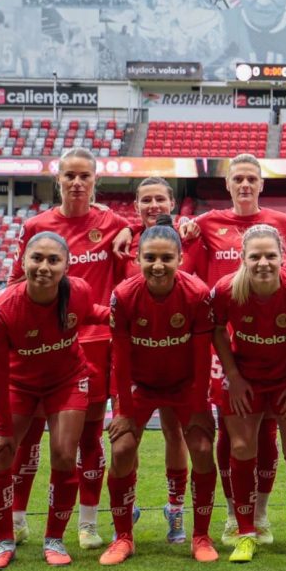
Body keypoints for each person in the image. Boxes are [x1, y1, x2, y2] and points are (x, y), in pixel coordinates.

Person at [180, 153, 286, 547]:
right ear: (227, 184)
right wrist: (180, 225)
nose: (244, 184)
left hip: (275, 342)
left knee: (272, 434)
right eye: (237, 178)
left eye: (251, 179)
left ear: (261, 184)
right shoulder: (206, 224)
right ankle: (233, 514)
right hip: (229, 347)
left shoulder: (282, 224)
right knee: (232, 434)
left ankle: (260, 513)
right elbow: (184, 264)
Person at [8, 148, 130, 551]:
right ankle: (17, 519)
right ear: (57, 179)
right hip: (42, 349)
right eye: (70, 175)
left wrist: (134, 229)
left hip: (96, 347)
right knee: (28, 439)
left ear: (96, 181)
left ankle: (88, 523)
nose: (77, 182)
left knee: (88, 440)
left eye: (85, 176)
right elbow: (13, 286)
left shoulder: (112, 223)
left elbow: (151, 234)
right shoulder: (37, 226)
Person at [0, 232, 109, 569]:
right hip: (17, 385)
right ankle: (3, 541)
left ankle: (54, 539)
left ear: (66, 265)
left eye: (54, 260)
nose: (44, 267)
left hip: (66, 382)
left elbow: (90, 312)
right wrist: (2, 427)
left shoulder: (78, 290)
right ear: (23, 261)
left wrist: (117, 313)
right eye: (37, 258)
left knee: (66, 455)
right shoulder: (0, 312)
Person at [102, 217, 218, 564]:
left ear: (180, 259)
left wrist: (199, 408)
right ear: (137, 259)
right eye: (150, 257)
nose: (158, 265)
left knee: (200, 446)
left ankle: (200, 536)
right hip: (140, 385)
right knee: (122, 449)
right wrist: (122, 411)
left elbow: (202, 358)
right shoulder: (123, 296)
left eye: (166, 258)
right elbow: (119, 360)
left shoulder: (197, 294)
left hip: (184, 385)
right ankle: (123, 536)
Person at [210, 224, 286, 563]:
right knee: (242, 447)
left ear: (282, 257)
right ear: (242, 259)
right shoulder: (227, 290)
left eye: (270, 255)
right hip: (246, 378)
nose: (263, 263)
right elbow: (217, 331)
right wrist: (233, 374)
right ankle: (246, 533)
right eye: (255, 256)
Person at [118, 177, 194, 543]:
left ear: (172, 202)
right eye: (145, 199)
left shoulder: (190, 233)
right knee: (126, 438)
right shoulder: (122, 238)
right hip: (135, 353)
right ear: (135, 205)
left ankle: (175, 508)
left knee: (174, 431)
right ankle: (127, 506)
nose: (153, 206)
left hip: (177, 352)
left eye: (160, 199)